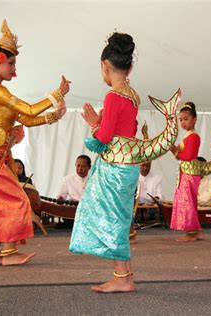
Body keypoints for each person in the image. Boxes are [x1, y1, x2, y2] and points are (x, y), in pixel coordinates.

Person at [0, 20, 69, 267]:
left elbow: (26, 119)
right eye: (11, 63)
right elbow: (28, 108)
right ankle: (9, 252)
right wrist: (57, 94)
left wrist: (54, 116)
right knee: (17, 199)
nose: (14, 69)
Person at [69, 32, 142, 293]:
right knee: (119, 219)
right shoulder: (133, 95)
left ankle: (122, 277)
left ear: (105, 66)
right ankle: (124, 276)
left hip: (114, 168)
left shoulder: (113, 96)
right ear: (130, 65)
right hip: (129, 166)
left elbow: (105, 136)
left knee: (111, 219)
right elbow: (127, 129)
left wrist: (93, 123)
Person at [169, 102, 203, 242]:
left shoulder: (193, 136)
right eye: (181, 120)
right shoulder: (189, 135)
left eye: (186, 119)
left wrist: (176, 152)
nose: (183, 122)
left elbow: (188, 156)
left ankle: (191, 233)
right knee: (190, 201)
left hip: (189, 174)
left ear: (194, 119)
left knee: (187, 202)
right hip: (187, 173)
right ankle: (196, 230)